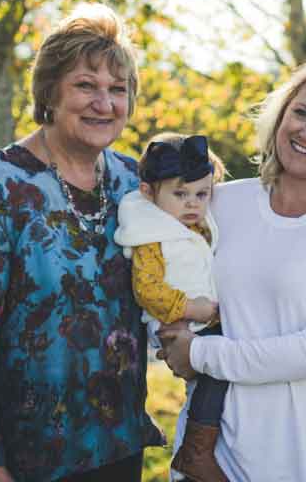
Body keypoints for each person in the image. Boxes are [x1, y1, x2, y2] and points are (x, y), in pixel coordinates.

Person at [0, 5, 164, 482]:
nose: (104, 103)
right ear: (50, 94)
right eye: (86, 85)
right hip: (25, 457)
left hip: (117, 445)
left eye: (117, 90)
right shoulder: (1, 186)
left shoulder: (132, 182)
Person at [157, 56, 306, 482]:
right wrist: (171, 335)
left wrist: (199, 353)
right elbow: (167, 281)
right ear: (280, 114)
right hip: (208, 452)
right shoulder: (221, 204)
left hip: (300, 455)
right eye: (301, 112)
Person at [114, 133, 229, 482]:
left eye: (201, 194)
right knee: (219, 371)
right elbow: (147, 288)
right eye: (180, 194)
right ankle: (196, 448)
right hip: (177, 320)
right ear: (149, 193)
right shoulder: (150, 232)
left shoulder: (190, 225)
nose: (192, 204)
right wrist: (191, 309)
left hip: (201, 315)